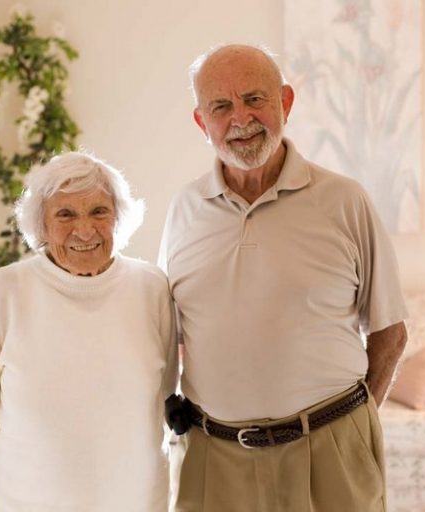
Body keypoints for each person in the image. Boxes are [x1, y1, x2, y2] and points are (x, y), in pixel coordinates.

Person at [159, 44, 408, 511]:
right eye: (221, 106)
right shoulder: (183, 210)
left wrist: (350, 428)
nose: (241, 118)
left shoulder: (345, 201)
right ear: (201, 122)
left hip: (331, 450)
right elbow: (170, 333)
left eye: (255, 99)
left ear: (285, 103)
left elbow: (390, 334)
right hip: (213, 458)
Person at [0, 152, 177, 511]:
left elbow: (166, 401)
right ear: (41, 225)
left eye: (98, 212)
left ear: (118, 216)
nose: (85, 230)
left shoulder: (151, 287)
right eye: (65, 214)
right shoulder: (4, 292)